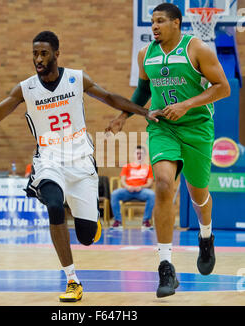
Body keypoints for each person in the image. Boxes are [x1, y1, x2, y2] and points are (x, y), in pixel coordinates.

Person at [0, 31, 162, 302]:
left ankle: (92, 220)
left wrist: (143, 112)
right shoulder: (25, 88)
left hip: (81, 162)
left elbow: (111, 97)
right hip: (49, 160)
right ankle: (72, 279)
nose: (38, 59)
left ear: (56, 53)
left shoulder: (77, 78)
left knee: (87, 236)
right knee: (54, 205)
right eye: (34, 54)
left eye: (43, 53)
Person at [106, 3, 231, 298]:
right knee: (162, 184)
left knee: (198, 194)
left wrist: (186, 104)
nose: (155, 27)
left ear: (177, 23)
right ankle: (166, 266)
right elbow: (143, 91)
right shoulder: (145, 54)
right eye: (152, 22)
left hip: (197, 127)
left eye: (160, 21)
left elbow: (223, 87)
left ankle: (205, 234)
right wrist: (124, 116)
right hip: (162, 127)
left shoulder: (197, 48)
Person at [111, 145, 155, 230]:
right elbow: (123, 180)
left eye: (141, 154)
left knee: (152, 194)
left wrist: (141, 186)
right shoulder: (127, 166)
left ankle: (146, 222)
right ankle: (118, 221)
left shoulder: (149, 168)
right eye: (137, 153)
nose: (139, 155)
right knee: (114, 194)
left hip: (141, 191)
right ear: (134, 155)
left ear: (145, 156)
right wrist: (127, 186)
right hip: (128, 191)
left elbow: (149, 183)